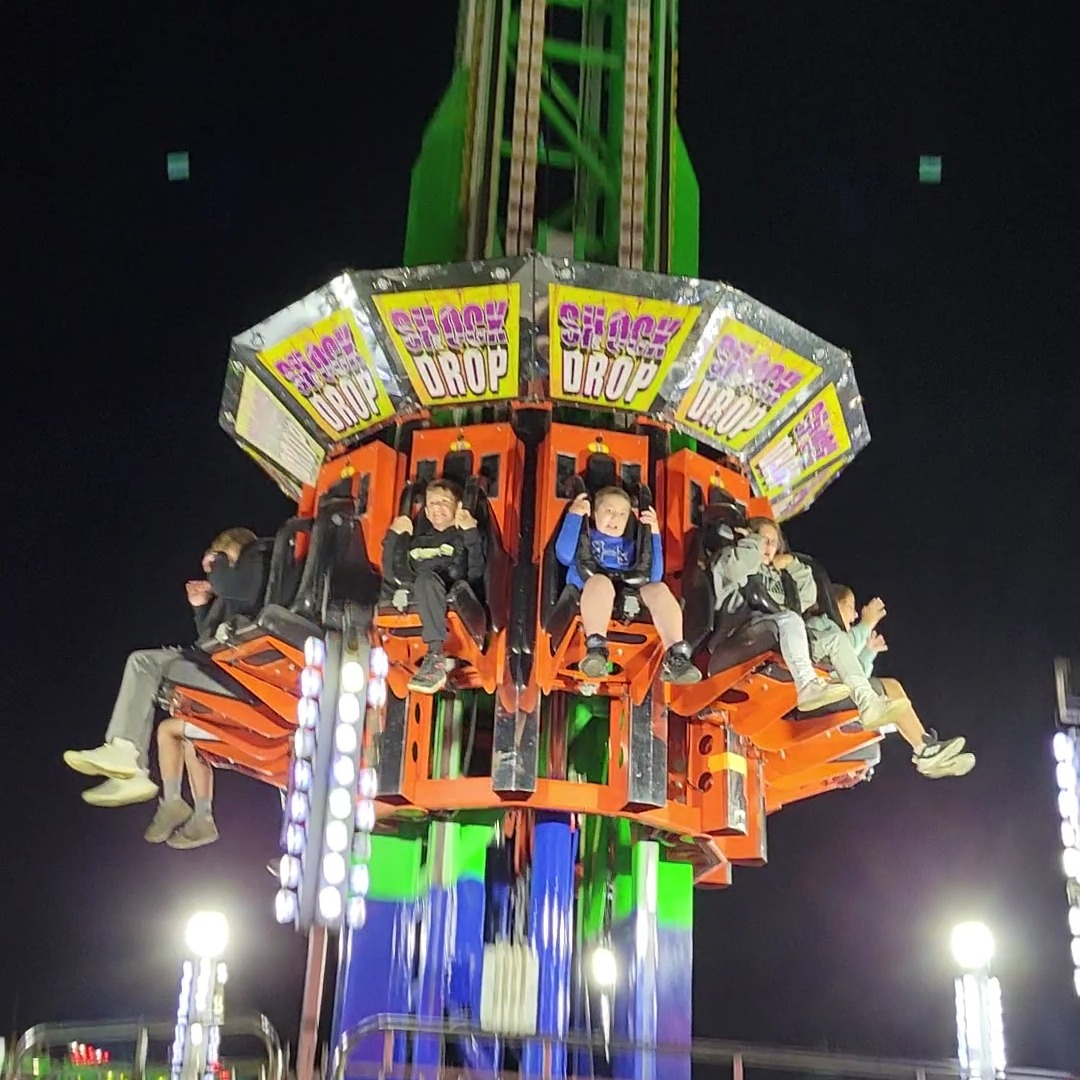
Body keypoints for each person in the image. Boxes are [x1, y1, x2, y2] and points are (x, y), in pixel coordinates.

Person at [64, 527, 266, 808]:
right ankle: (130, 769)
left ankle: (125, 753)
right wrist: (200, 607)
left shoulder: (257, 560)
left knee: (143, 662)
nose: (212, 565)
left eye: (221, 554)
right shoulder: (228, 591)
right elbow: (207, 637)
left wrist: (217, 564)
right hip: (217, 664)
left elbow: (245, 590)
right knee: (147, 673)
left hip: (237, 674)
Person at [816, 584, 974, 778]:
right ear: (834, 605)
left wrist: (868, 653)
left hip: (837, 692)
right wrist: (866, 624)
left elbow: (857, 676)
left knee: (891, 710)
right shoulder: (820, 624)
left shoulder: (839, 635)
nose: (855, 614)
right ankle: (925, 750)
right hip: (822, 694)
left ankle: (928, 752)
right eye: (851, 605)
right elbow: (837, 652)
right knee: (890, 689)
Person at [554, 487, 701, 684]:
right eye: (609, 511)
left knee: (659, 589)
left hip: (630, 594)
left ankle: (677, 657)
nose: (615, 518)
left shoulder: (631, 546)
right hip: (591, 591)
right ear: (594, 513)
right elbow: (563, 555)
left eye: (622, 514)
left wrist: (653, 532)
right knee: (601, 582)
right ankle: (596, 649)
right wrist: (574, 516)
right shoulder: (588, 537)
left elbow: (654, 574)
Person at [709, 517, 851, 711]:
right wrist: (751, 544)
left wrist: (792, 563)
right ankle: (807, 685)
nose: (768, 546)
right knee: (790, 619)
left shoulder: (778, 577)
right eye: (763, 539)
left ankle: (864, 698)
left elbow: (807, 597)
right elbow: (734, 570)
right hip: (734, 634)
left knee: (835, 638)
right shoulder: (733, 558)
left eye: (773, 542)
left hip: (774, 628)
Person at [384, 480, 484, 694]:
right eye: (433, 503)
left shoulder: (463, 536)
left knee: (426, 580)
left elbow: (475, 572)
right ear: (427, 512)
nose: (438, 507)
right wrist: (395, 536)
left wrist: (471, 533)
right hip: (417, 591)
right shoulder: (417, 542)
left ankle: (435, 656)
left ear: (457, 508)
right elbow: (392, 573)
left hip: (453, 591)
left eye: (444, 502)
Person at [141, 717, 219, 847]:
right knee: (190, 740)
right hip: (244, 723)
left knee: (167, 730)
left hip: (237, 723)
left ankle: (173, 802)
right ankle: (202, 816)